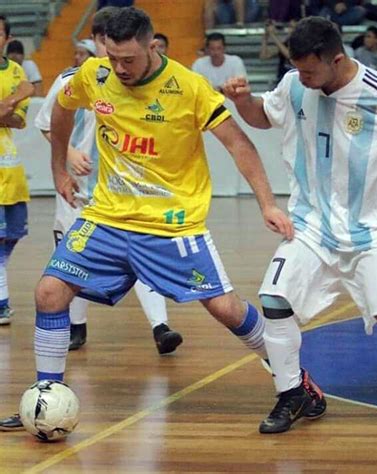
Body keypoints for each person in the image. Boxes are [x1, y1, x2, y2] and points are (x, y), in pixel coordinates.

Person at [0, 6, 326, 433]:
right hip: (107, 217)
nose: (119, 68)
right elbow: (61, 110)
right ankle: (46, 399)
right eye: (112, 58)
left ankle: (295, 381)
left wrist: (267, 203)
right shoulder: (94, 75)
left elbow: (239, 145)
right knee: (49, 292)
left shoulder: (188, 88)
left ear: (151, 45)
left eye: (128, 60)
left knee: (225, 308)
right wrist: (59, 167)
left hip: (173, 225)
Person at [223, 16, 377, 434]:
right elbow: (265, 117)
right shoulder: (294, 83)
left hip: (370, 227)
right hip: (310, 223)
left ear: (337, 60)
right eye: (296, 68)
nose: (300, 77)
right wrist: (244, 101)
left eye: (308, 70)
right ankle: (292, 393)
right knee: (274, 300)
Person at [34, 8, 183, 355]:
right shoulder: (73, 79)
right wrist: (69, 154)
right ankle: (77, 326)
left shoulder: (144, 83)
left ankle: (161, 327)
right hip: (80, 192)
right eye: (104, 43)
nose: (111, 53)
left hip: (128, 194)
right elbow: (46, 123)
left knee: (141, 259)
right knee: (71, 261)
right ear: (98, 41)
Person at [0, 15, 35, 326]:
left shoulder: (16, 71)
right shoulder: (19, 83)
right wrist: (16, 96)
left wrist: (9, 107)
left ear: (6, 38)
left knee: (12, 234)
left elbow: (18, 121)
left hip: (9, 168)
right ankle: (1, 302)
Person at [259, 20, 295, 85]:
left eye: (293, 28)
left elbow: (289, 55)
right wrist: (265, 38)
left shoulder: (302, 44)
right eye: (290, 27)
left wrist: (272, 35)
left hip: (295, 79)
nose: (290, 30)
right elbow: (264, 56)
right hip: (282, 79)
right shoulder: (285, 44)